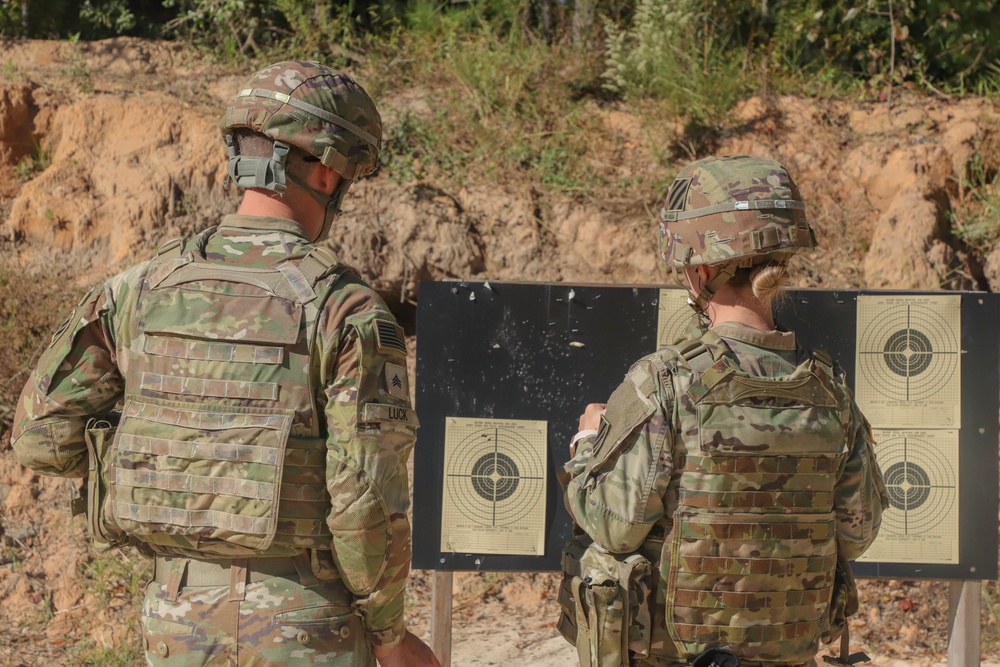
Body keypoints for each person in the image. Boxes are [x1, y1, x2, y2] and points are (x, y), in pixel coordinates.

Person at [11, 60, 439, 667]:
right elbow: (364, 498)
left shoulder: (136, 288)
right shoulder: (343, 308)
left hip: (176, 617)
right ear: (325, 169)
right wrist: (391, 636)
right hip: (303, 625)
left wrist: (163, 459)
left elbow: (39, 440)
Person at [557, 155, 888, 667]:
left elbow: (614, 526)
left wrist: (586, 446)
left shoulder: (665, 379)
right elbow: (859, 533)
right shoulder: (831, 388)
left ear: (704, 270)